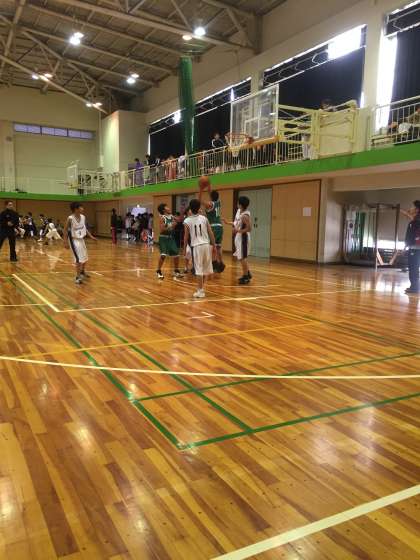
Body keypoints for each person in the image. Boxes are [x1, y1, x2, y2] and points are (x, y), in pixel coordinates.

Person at [184, 199, 215, 298]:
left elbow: (186, 237)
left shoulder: (187, 220)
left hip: (197, 246)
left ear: (190, 208)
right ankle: (202, 288)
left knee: (198, 269)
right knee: (205, 269)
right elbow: (210, 232)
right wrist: (214, 245)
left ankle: (200, 291)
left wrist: (184, 249)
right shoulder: (204, 218)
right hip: (206, 245)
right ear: (199, 208)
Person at [64, 202, 97, 284]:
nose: (83, 208)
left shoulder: (83, 217)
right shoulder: (70, 218)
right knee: (78, 259)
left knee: (85, 257)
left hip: (81, 239)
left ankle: (82, 271)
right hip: (74, 240)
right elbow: (65, 230)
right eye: (81, 207)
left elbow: (84, 228)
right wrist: (65, 242)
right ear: (76, 209)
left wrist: (91, 236)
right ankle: (77, 277)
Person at [224, 195, 252, 284]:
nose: (237, 204)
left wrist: (238, 231)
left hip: (243, 238)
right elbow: (236, 223)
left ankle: (246, 277)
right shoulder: (239, 212)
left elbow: (249, 229)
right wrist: (228, 223)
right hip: (239, 237)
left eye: (238, 203)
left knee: (242, 257)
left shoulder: (245, 216)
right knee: (240, 257)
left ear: (240, 204)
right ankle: (247, 273)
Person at [199, 183, 225, 273]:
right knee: (218, 246)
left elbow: (199, 201)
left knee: (211, 246)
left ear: (211, 197)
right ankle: (221, 263)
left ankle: (213, 264)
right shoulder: (218, 202)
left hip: (213, 227)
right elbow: (212, 194)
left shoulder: (209, 204)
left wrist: (201, 190)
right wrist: (209, 186)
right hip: (220, 226)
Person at [156, 203, 183, 279]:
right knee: (163, 255)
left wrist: (179, 216)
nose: (169, 208)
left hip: (171, 238)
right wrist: (171, 225)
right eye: (167, 207)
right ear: (163, 210)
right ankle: (158, 271)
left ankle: (176, 271)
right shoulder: (162, 218)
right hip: (163, 238)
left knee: (176, 255)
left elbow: (179, 220)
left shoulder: (171, 216)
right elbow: (162, 230)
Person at [404, 200, 420, 294]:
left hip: (416, 249)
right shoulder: (415, 221)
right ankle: (414, 286)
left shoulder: (417, 221)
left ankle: (415, 288)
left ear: (417, 209)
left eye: (413, 207)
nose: (411, 208)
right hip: (414, 248)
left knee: (413, 268)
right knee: (414, 268)